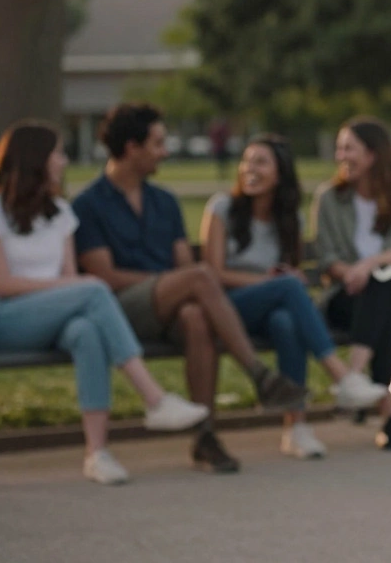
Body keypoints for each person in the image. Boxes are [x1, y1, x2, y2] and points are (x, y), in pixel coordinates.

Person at [0, 121, 209, 485]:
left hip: (56, 316)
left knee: (86, 330)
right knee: (93, 289)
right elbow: (1, 284)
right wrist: (69, 289)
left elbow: (68, 276)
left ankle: (97, 453)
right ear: (35, 160)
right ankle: (154, 399)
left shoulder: (60, 212)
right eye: (58, 154)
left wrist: (69, 290)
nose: (63, 161)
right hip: (5, 320)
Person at [73, 103, 308, 474]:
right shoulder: (88, 205)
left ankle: (205, 437)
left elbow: (184, 265)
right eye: (157, 144)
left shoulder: (164, 202)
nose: (165, 152)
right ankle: (259, 376)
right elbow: (106, 277)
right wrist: (171, 283)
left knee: (196, 316)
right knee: (198, 278)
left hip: (170, 304)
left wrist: (176, 283)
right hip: (118, 311)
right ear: (132, 147)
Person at [199, 133, 389, 459]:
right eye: (246, 161)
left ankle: (296, 429)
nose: (250, 169)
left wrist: (290, 279)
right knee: (287, 287)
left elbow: (290, 271)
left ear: (280, 173)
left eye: (260, 162)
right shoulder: (221, 207)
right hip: (226, 308)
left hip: (268, 310)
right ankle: (341, 377)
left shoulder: (290, 219)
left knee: (286, 321)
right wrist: (271, 281)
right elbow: (212, 274)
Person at [312, 117, 391, 451]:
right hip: (344, 296)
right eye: (339, 148)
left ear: (373, 154)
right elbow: (325, 256)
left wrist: (367, 267)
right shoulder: (329, 198)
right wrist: (350, 274)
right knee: (383, 309)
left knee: (382, 287)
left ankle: (353, 376)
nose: (341, 155)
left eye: (349, 148)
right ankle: (390, 418)